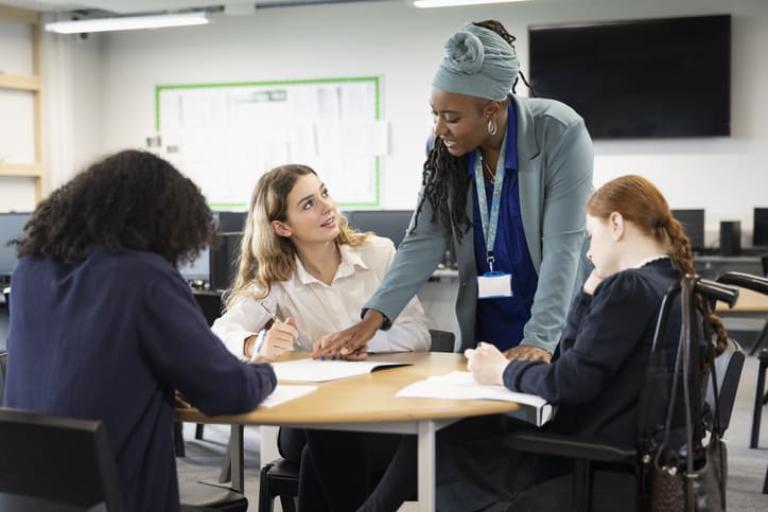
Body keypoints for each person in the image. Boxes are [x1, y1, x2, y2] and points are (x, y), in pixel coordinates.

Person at [359, 175, 728, 511]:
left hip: (587, 456)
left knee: (441, 440)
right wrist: (586, 291)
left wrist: (502, 371)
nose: (588, 251)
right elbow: (573, 360)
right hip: (627, 451)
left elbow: (569, 381)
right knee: (455, 434)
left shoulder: (630, 287)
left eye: (591, 235)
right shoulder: (672, 283)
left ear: (616, 225)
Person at [3, 150, 277, 512]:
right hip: (122, 497)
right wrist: (266, 369)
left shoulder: (29, 272)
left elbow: (87, 366)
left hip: (32, 497)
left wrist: (157, 384)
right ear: (166, 220)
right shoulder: (144, 276)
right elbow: (228, 392)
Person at [315, 19, 594, 363]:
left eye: (451, 117)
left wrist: (540, 340)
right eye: (435, 114)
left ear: (491, 109)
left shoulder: (558, 131)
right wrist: (373, 319)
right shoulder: (444, 149)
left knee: (556, 412)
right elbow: (424, 237)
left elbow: (562, 246)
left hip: (556, 322)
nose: (439, 128)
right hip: (489, 320)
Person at [210, 163, 430, 511]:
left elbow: (418, 334)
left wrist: (362, 340)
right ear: (282, 226)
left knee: (326, 447)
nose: (327, 207)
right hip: (309, 418)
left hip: (377, 413)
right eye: (308, 204)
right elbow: (222, 331)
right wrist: (257, 344)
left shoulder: (379, 254)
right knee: (329, 433)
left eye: (324, 193)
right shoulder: (277, 278)